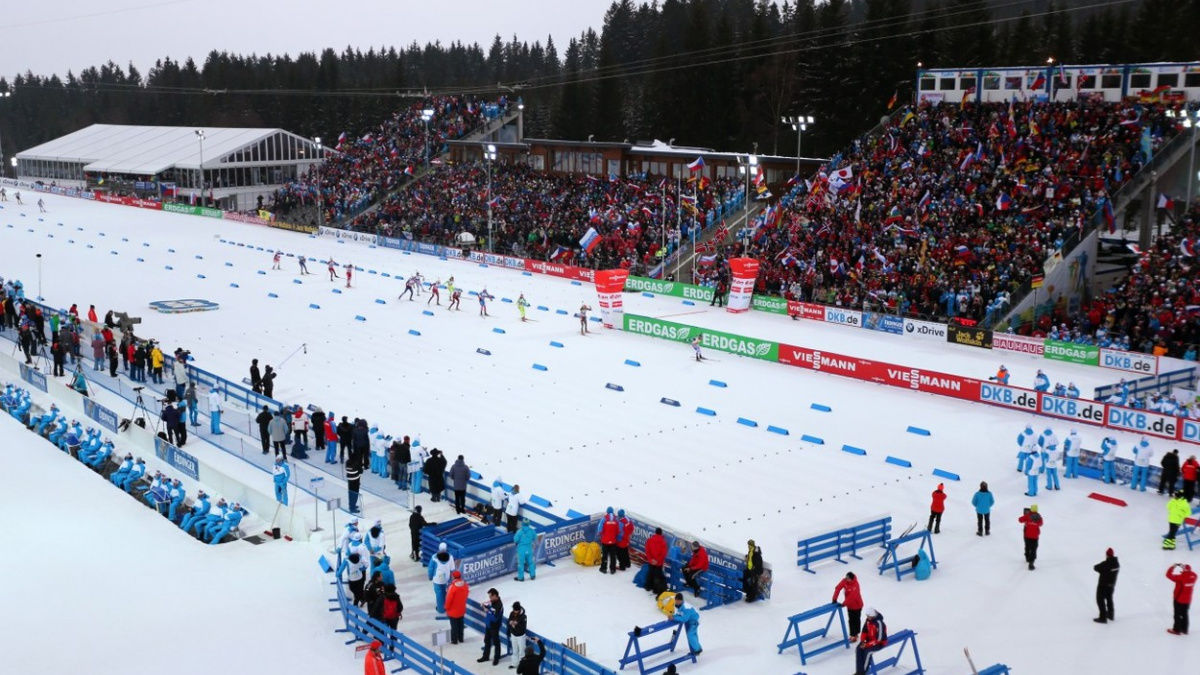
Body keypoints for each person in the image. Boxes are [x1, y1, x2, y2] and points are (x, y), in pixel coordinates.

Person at [853, 608, 888, 675]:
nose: (868, 618)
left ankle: (863, 672)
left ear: (873, 616)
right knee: (859, 649)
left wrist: (866, 645)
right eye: (867, 616)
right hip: (869, 640)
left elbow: (879, 639)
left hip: (879, 643)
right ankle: (859, 671)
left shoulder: (879, 623)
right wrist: (863, 641)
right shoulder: (868, 621)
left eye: (869, 617)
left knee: (867, 652)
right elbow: (864, 631)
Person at [832, 572, 864, 642]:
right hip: (850, 606)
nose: (847, 580)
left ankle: (855, 634)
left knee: (856, 620)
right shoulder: (845, 581)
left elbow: (851, 597)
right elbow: (838, 588)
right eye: (846, 578)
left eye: (848, 579)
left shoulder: (855, 585)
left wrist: (844, 604)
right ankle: (853, 634)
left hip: (857, 605)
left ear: (852, 579)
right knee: (851, 620)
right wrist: (834, 599)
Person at [1167, 563, 1195, 635]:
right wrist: (1185, 568)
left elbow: (1168, 575)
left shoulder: (1181, 577)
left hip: (1179, 599)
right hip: (1188, 600)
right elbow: (1190, 573)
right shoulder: (1194, 576)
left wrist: (1173, 567)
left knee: (1177, 615)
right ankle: (1184, 629)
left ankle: (1176, 630)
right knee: (1185, 614)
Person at [478, 588, 505, 665]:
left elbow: (495, 618)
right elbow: (490, 607)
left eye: (490, 597)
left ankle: (496, 658)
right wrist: (485, 606)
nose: (489, 598)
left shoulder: (499, 605)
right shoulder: (492, 602)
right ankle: (485, 656)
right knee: (487, 640)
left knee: (496, 642)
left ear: (495, 595)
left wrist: (488, 612)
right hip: (488, 624)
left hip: (494, 626)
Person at [428, 542, 455, 614]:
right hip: (446, 578)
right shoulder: (450, 557)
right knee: (447, 593)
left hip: (437, 579)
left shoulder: (434, 557)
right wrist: (453, 579)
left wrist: (430, 577)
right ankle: (448, 606)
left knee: (439, 594)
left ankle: (441, 609)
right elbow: (452, 569)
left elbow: (431, 568)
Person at [1093, 548, 1119, 623]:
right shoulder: (1116, 564)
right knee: (1109, 599)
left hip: (1103, 585)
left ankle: (1103, 617)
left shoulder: (1105, 564)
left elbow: (1096, 567)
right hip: (1112, 585)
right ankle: (1111, 614)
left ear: (1107, 555)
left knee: (1100, 600)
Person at [445, 571, 469, 644]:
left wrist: (446, 607)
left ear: (453, 577)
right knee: (461, 624)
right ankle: (461, 638)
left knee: (454, 626)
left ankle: (454, 640)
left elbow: (449, 599)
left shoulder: (452, 587)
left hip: (453, 610)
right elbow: (466, 594)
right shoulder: (465, 585)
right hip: (461, 609)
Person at [596, 507, 621, 574]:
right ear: (613, 512)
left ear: (607, 512)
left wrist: (601, 535)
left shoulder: (603, 520)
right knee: (613, 556)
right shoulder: (616, 520)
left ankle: (603, 569)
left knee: (605, 556)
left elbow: (600, 530)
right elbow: (618, 531)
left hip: (605, 541)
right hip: (613, 541)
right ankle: (613, 569)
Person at [644, 526, 668, 594]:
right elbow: (664, 553)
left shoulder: (650, 540)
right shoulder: (663, 542)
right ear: (661, 533)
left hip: (651, 561)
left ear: (655, 532)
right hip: (659, 563)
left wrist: (651, 559)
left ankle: (648, 586)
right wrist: (657, 560)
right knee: (657, 576)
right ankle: (655, 589)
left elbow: (647, 551)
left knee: (650, 573)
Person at [1019, 504, 1043, 571]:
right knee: (1034, 549)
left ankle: (1027, 557)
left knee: (1027, 546)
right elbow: (1041, 524)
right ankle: (1031, 563)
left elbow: (1020, 520)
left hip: (1027, 535)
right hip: (1035, 536)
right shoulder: (1039, 518)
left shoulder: (1027, 516)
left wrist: (1026, 516)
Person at [507, 602, 528, 666]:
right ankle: (514, 663)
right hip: (513, 634)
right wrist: (510, 623)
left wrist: (516, 624)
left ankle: (522, 665)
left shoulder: (523, 616)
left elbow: (523, 627)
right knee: (514, 650)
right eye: (514, 610)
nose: (514, 611)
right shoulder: (512, 613)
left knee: (521, 651)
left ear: (519, 609)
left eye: (516, 610)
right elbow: (508, 621)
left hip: (521, 636)